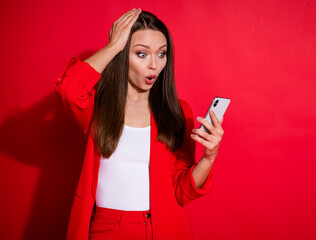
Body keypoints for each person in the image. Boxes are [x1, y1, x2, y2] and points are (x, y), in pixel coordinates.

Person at [55, 8, 224, 240]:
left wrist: (208, 157)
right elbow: (69, 89)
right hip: (108, 228)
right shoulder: (98, 108)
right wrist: (114, 46)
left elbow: (181, 192)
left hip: (166, 228)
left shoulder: (177, 112)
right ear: (123, 55)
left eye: (161, 54)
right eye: (142, 54)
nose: (154, 65)